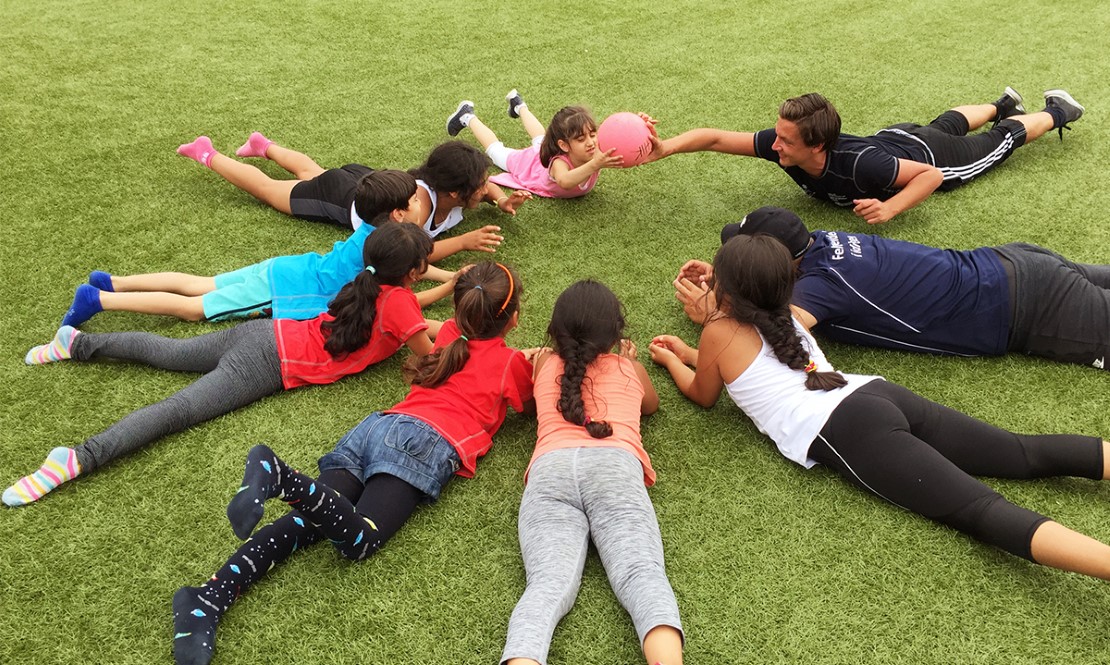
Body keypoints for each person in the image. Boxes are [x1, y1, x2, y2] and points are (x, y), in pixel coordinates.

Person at [650, 233, 1110, 583]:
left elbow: (704, 394)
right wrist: (693, 350)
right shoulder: (786, 313)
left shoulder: (719, 333)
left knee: (979, 510)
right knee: (1019, 453)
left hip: (847, 428)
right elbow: (751, 368)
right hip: (875, 394)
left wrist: (674, 359)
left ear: (727, 290)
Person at [170, 261, 536, 665]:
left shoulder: (450, 334)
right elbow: (529, 403)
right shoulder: (510, 365)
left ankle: (205, 600)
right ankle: (281, 478)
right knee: (361, 540)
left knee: (302, 524)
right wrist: (535, 360)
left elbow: (453, 333)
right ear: (514, 318)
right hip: (422, 444)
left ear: (460, 311)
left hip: (376, 428)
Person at [5, 223, 436, 507]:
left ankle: (76, 343)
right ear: (414, 272)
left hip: (264, 333)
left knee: (168, 353)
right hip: (268, 362)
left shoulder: (367, 285)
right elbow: (424, 350)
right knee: (179, 411)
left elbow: (407, 322)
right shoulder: (399, 303)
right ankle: (77, 458)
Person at [673, 206, 1109, 370]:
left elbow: (772, 338)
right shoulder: (822, 242)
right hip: (1018, 260)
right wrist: (730, 278)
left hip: (1032, 308)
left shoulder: (823, 286)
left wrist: (714, 311)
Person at [500, 281, 683, 665]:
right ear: (616, 334)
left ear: (555, 332)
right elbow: (650, 405)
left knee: (547, 586)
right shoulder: (628, 368)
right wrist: (627, 360)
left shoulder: (545, 365)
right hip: (614, 466)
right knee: (641, 575)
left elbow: (541, 393)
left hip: (550, 470)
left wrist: (542, 358)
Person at [58, 173, 459, 327]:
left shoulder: (371, 231)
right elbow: (409, 290)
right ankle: (100, 299)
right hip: (284, 292)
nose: (414, 209)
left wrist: (450, 276)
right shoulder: (384, 249)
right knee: (198, 307)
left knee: (201, 283)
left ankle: (113, 281)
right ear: (395, 214)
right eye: (409, 205)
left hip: (284, 269)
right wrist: (450, 284)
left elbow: (418, 267)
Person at [645, 88, 1085, 224]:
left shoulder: (860, 167)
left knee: (993, 145)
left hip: (928, 155)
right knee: (943, 121)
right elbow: (717, 139)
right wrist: (664, 149)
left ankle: (1055, 111)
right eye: (776, 136)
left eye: (785, 140)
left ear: (816, 146)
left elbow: (929, 176)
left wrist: (890, 206)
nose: (773, 145)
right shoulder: (788, 146)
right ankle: (1001, 103)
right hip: (894, 139)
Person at [176, 135, 530, 257]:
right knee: (271, 190)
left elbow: (481, 192)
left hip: (366, 179)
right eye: (483, 184)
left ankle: (263, 146)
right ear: (455, 191)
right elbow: (416, 254)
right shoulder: (417, 211)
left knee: (311, 171)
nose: (488, 186)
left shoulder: (450, 190)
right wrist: (465, 242)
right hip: (342, 198)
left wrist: (499, 200)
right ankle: (207, 153)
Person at [447, 91, 623, 198]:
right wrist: (595, 164)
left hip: (544, 152)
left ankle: (519, 105)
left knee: (541, 139)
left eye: (593, 135)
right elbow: (565, 181)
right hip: (530, 164)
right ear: (564, 145)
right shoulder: (559, 164)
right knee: (496, 152)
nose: (591, 142)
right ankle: (467, 116)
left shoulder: (595, 150)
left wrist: (643, 134)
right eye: (581, 139)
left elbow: (629, 152)